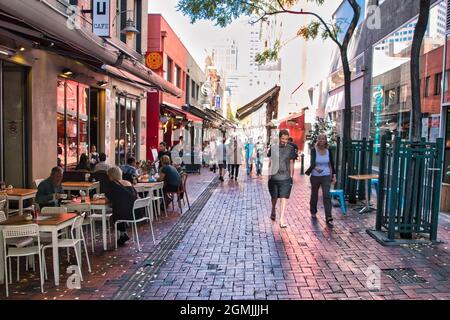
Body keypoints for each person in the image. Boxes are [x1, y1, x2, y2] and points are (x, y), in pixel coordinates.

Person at [105, 166, 144, 246]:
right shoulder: (128, 183)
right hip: (137, 212)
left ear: (111, 175)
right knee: (121, 207)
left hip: (124, 214)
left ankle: (123, 234)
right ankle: (123, 234)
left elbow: (107, 200)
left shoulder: (112, 185)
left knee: (117, 211)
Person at [305, 133, 336, 226]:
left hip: (326, 175)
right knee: (314, 194)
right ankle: (313, 211)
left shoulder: (328, 151)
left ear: (326, 140)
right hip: (315, 176)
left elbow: (331, 164)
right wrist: (317, 169)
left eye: (323, 139)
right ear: (317, 140)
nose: (321, 140)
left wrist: (334, 175)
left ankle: (328, 216)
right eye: (320, 139)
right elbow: (312, 163)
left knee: (326, 195)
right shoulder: (314, 151)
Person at [268, 129, 297, 228]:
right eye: (283, 138)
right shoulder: (273, 148)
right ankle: (273, 209)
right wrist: (269, 174)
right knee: (274, 197)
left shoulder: (290, 148)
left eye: (286, 139)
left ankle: (281, 219)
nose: (284, 140)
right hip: (274, 177)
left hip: (286, 177)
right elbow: (271, 161)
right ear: (279, 138)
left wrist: (292, 176)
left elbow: (292, 162)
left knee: (283, 198)